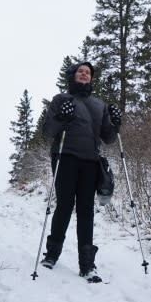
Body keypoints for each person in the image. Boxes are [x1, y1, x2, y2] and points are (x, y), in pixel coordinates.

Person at [41, 61, 122, 283]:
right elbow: (48, 131)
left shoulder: (99, 105)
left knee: (86, 211)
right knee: (64, 206)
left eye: (88, 72)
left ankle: (87, 266)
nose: (85, 74)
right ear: (73, 75)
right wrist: (61, 117)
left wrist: (115, 123)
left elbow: (109, 138)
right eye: (81, 71)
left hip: (90, 162)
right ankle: (51, 255)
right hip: (64, 157)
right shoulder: (61, 100)